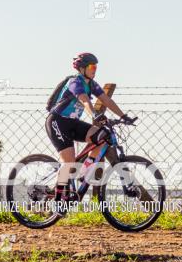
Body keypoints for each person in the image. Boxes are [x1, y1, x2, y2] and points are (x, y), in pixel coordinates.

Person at [45, 52, 135, 202]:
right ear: (82, 68)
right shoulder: (75, 82)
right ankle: (58, 199)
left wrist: (123, 116)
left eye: (96, 67)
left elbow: (106, 100)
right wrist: (95, 115)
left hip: (72, 123)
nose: (95, 69)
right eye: (92, 66)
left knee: (104, 137)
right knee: (68, 163)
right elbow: (85, 101)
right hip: (57, 122)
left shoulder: (91, 84)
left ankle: (84, 173)